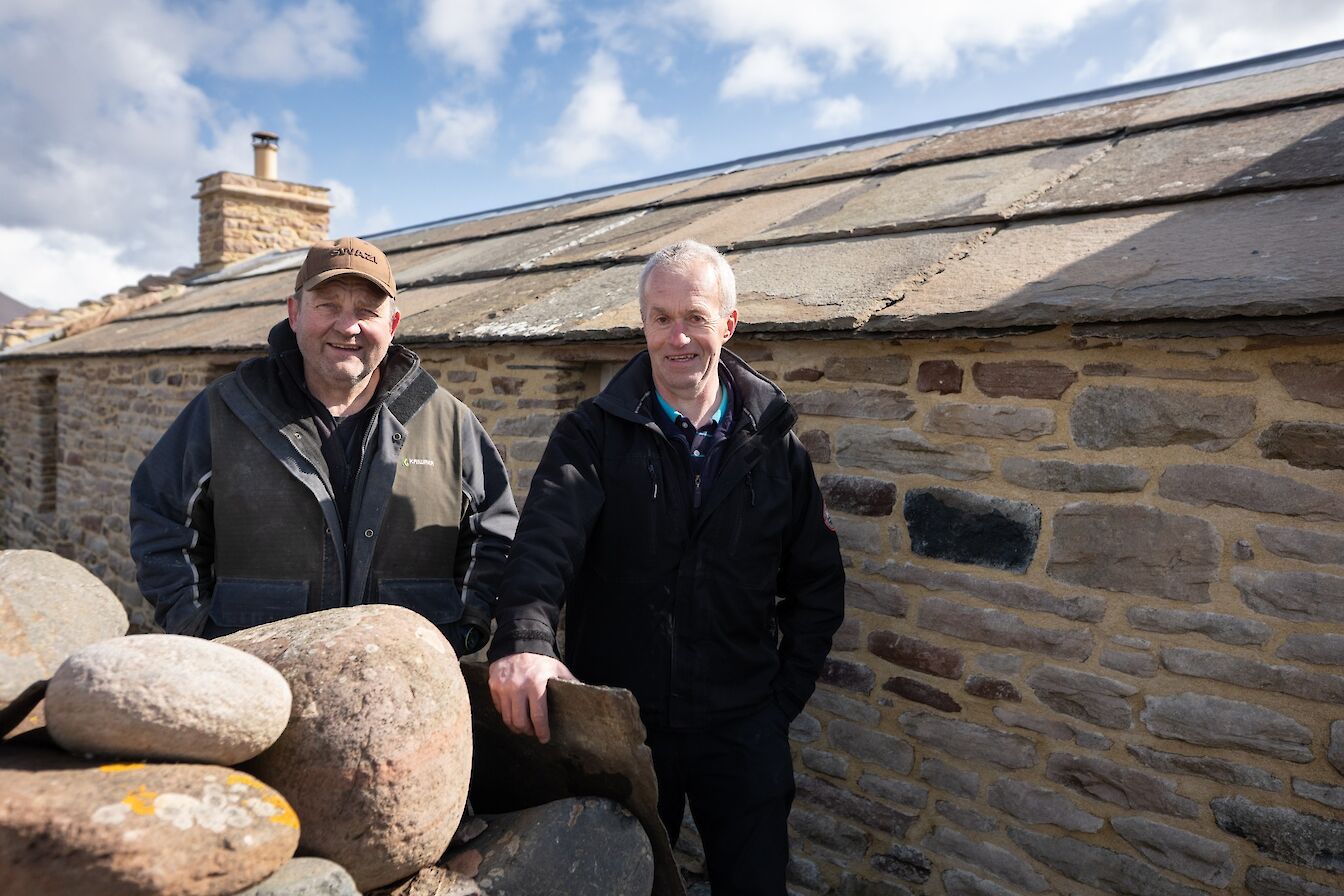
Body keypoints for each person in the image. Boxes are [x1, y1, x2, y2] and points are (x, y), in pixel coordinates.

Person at [487, 240, 845, 894]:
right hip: (623, 728)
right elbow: (542, 547)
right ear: (643, 323)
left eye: (696, 317)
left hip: (742, 729)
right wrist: (525, 640)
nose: (677, 337)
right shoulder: (590, 434)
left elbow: (818, 588)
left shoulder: (776, 448)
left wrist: (777, 705)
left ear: (728, 324)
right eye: (660, 318)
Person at [130, 236, 517, 654]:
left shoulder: (447, 420)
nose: (347, 326)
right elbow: (163, 520)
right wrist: (197, 628)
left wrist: (463, 627)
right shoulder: (227, 409)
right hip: (256, 673)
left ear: (392, 324)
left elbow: (492, 533)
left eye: (367, 310)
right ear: (294, 313)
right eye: (327, 305)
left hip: (403, 680)